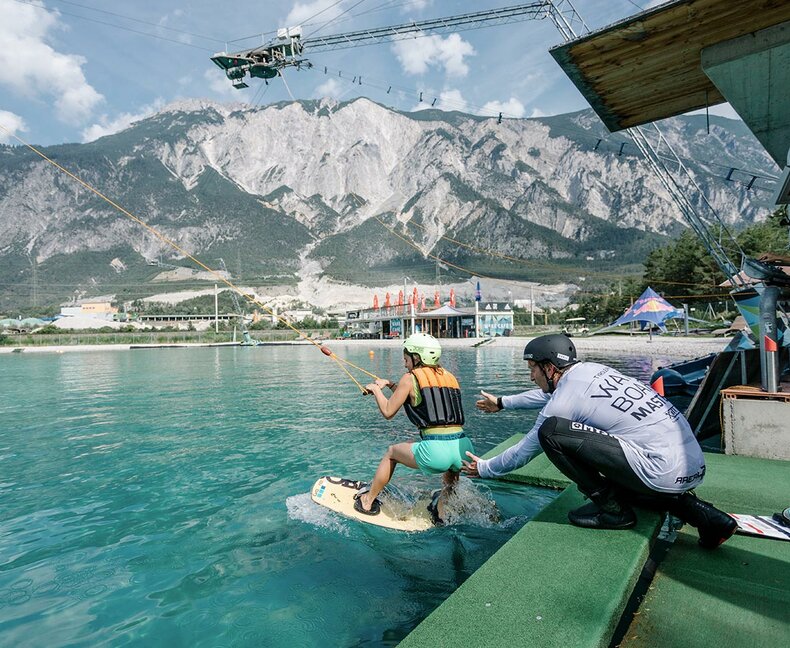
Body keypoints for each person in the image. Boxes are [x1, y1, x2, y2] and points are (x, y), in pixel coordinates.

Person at [462, 333, 737, 548]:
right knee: (626, 475)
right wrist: (502, 402)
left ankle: (613, 511)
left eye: (533, 368)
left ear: (549, 367)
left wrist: (485, 468)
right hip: (690, 466)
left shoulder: (566, 396)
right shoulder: (590, 371)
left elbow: (526, 449)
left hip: (661, 470)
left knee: (551, 432)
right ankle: (708, 517)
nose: (530, 375)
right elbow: (550, 395)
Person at [356, 333, 474, 523]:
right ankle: (442, 510)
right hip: (463, 449)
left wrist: (376, 390)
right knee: (450, 475)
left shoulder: (410, 378)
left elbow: (388, 411)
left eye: (406, 359)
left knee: (392, 453)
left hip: (436, 452)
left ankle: (367, 501)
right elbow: (421, 400)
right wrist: (390, 385)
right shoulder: (449, 376)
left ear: (416, 357)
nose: (405, 364)